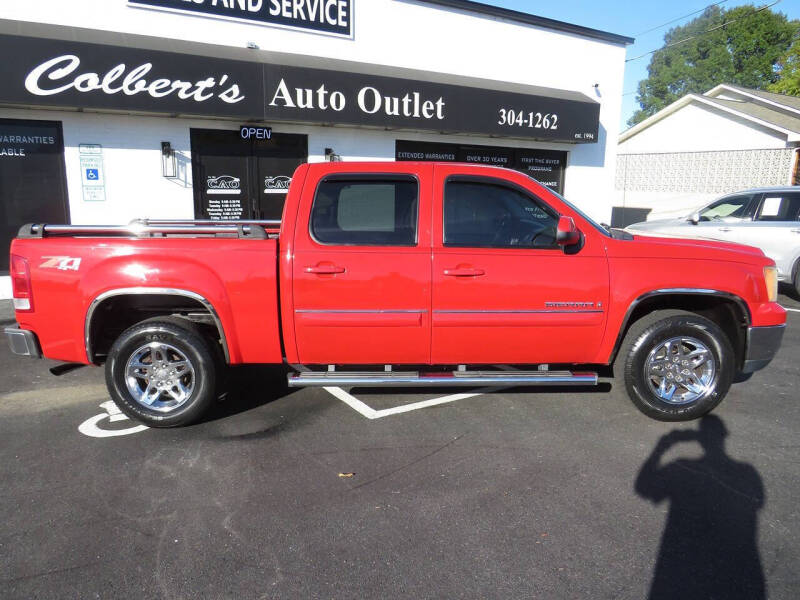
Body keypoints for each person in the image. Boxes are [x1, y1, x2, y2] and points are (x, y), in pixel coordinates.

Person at [635, 415, 765, 599]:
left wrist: (662, 446)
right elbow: (758, 502)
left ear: (700, 439)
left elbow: (643, 488)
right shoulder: (747, 472)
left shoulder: (680, 467)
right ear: (723, 436)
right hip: (739, 561)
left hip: (683, 563)